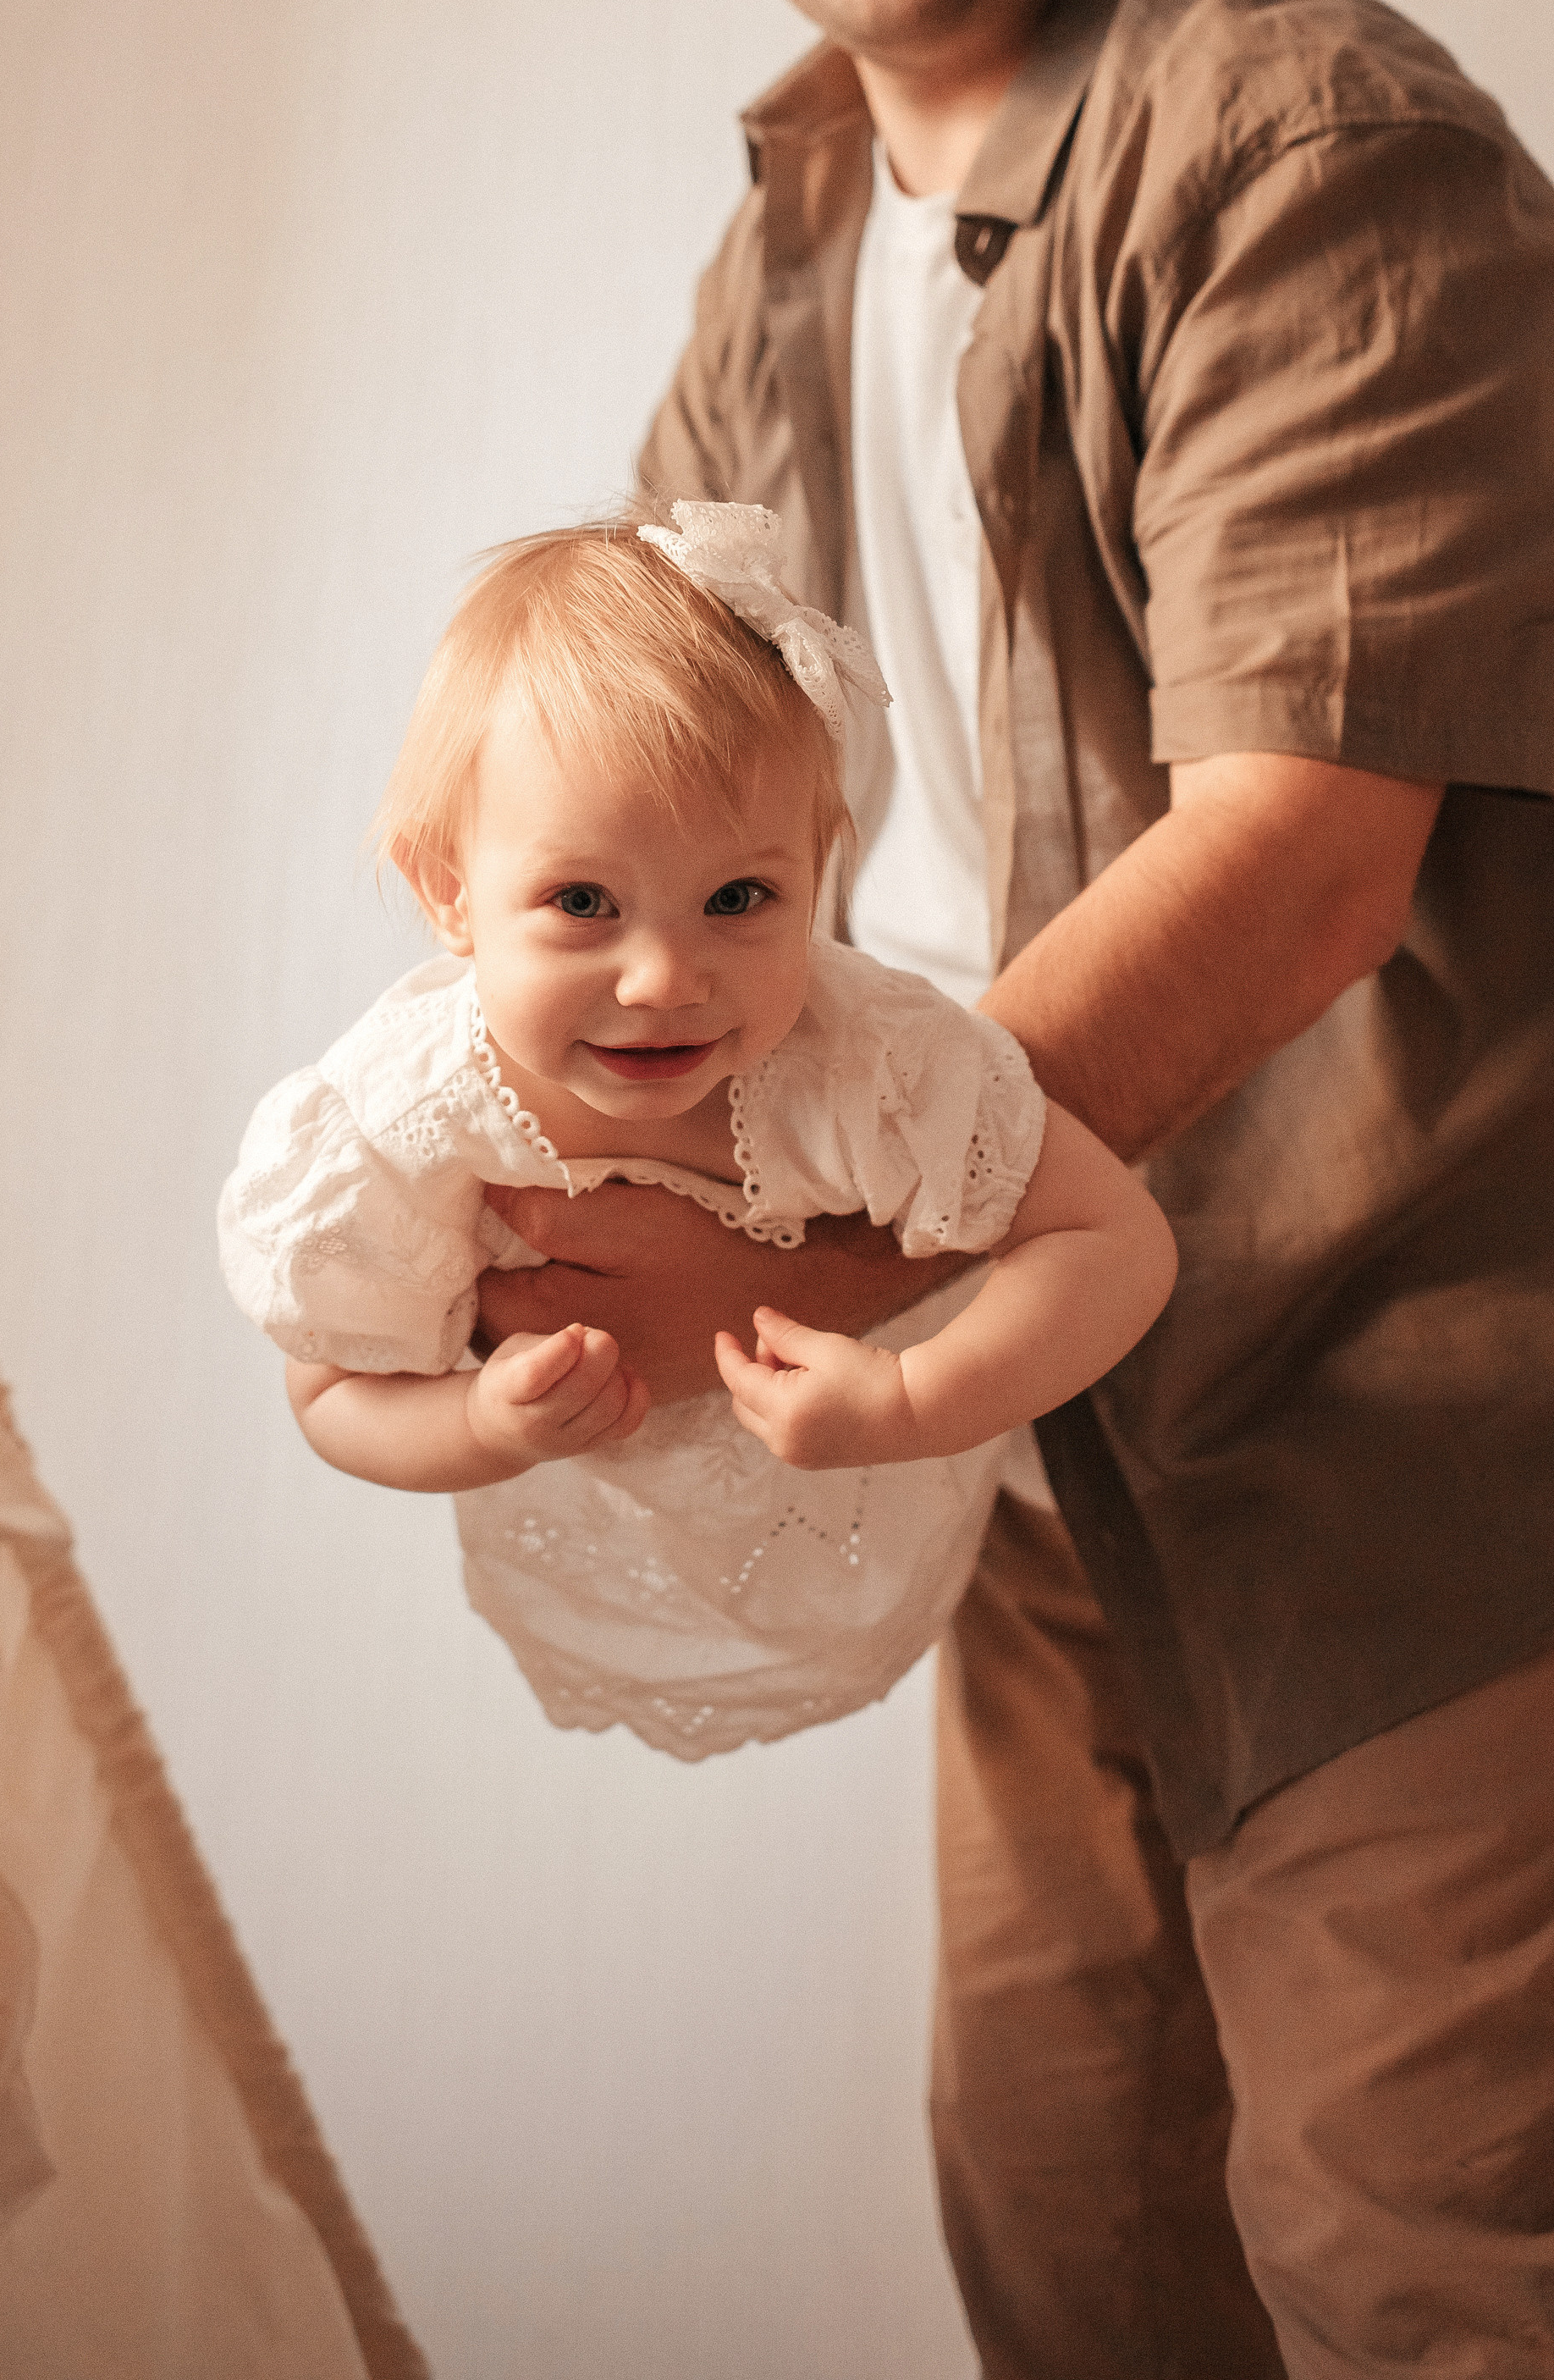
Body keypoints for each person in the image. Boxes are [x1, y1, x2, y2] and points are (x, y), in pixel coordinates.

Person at [472, 0, 1554, 2380]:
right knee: (1073, 2225)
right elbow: (672, 794)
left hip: (1418, 1369)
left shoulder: (1320, 148)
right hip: (1040, 1389)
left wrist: (766, 1235)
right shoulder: (796, 221)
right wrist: (486, 1148)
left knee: (1419, 2269)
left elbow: (1296, 861)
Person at [218, 506, 1175, 1759]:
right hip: (597, 1575)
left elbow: (1114, 1241)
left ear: (819, 877)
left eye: (738, 898)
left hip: (893, 1542)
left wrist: (912, 1400)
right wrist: (478, 1427)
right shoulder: (405, 1115)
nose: (665, 976)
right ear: (447, 891)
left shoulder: (867, 1060)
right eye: (582, 903)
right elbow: (330, 1387)